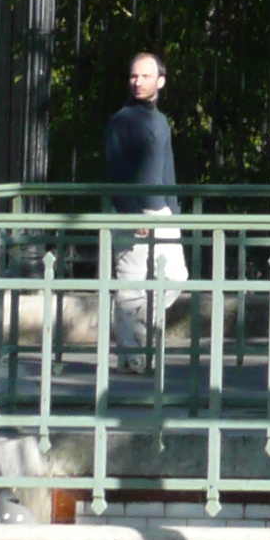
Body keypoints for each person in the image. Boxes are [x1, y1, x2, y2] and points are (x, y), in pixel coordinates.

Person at [103, 50, 184, 367]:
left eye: (145, 76)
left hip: (161, 211)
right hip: (134, 213)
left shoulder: (160, 121)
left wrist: (173, 209)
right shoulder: (121, 122)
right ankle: (129, 355)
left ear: (160, 81)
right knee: (130, 287)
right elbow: (114, 171)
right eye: (134, 76)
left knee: (176, 277)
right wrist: (130, 212)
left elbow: (167, 168)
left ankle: (136, 346)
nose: (137, 82)